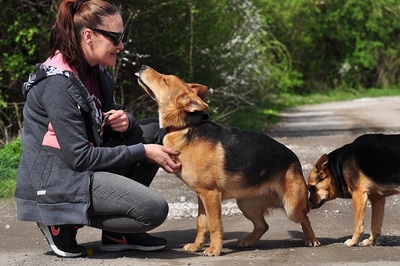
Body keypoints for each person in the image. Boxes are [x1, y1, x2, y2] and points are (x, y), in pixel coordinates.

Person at [14, 0, 181, 258]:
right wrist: (142, 152)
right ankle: (59, 220)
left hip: (83, 167)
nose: (121, 45)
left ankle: (117, 234)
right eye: (115, 38)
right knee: (153, 209)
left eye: (122, 37)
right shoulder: (58, 85)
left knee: (153, 131)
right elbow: (79, 157)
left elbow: (101, 122)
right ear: (89, 36)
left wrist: (125, 118)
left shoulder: (94, 72)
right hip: (62, 179)